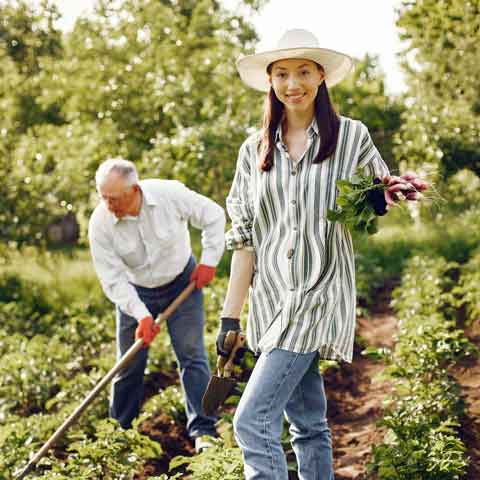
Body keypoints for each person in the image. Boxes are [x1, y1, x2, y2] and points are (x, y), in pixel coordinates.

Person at [216, 29, 423, 479]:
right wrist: (230, 318)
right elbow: (244, 239)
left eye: (304, 72)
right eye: (283, 74)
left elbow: (373, 198)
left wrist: (387, 194)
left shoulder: (349, 137)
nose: (294, 84)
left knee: (251, 422)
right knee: (307, 424)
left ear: (321, 75)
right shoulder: (253, 151)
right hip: (272, 303)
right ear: (270, 80)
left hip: (318, 295)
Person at [88, 158, 225, 452]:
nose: (107, 204)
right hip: (135, 291)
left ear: (134, 189)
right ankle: (120, 433)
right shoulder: (100, 223)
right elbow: (111, 277)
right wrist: (140, 315)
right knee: (129, 362)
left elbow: (213, 215)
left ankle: (204, 429)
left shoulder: (168, 195)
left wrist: (209, 261)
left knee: (192, 355)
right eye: (103, 197)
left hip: (181, 283)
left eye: (113, 198)